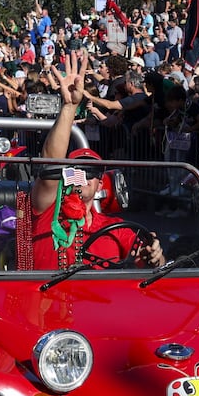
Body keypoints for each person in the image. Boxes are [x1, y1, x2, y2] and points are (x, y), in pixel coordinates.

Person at [28, 50, 165, 270]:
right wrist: (70, 107)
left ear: (100, 183)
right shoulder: (47, 211)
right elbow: (51, 165)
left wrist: (155, 257)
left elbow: (148, 262)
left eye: (89, 172)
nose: (81, 177)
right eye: (74, 170)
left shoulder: (116, 227)